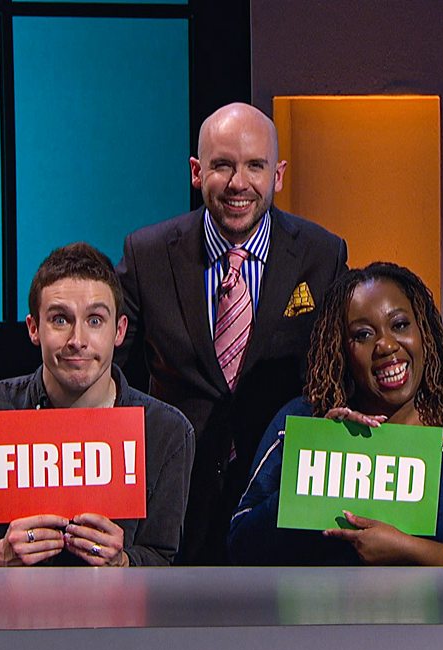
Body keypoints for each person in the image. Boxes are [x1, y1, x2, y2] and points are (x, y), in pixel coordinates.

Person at [114, 102, 347, 564]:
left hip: (280, 498)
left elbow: (345, 370)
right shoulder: (148, 255)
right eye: (222, 165)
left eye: (255, 166)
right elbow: (106, 374)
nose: (239, 183)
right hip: (174, 501)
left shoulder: (323, 255)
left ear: (278, 175)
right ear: (196, 172)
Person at [0, 243, 195, 567]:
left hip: (114, 603)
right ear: (34, 328)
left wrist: (125, 562)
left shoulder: (166, 433)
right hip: (5, 602)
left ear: (119, 331)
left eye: (95, 320)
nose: (77, 340)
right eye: (60, 319)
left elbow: (165, 559)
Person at [227, 262, 443, 566]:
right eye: (363, 334)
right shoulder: (302, 421)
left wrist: (411, 550)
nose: (385, 345)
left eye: (400, 325)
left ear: (423, 331)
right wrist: (314, 463)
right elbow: (241, 545)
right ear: (341, 349)